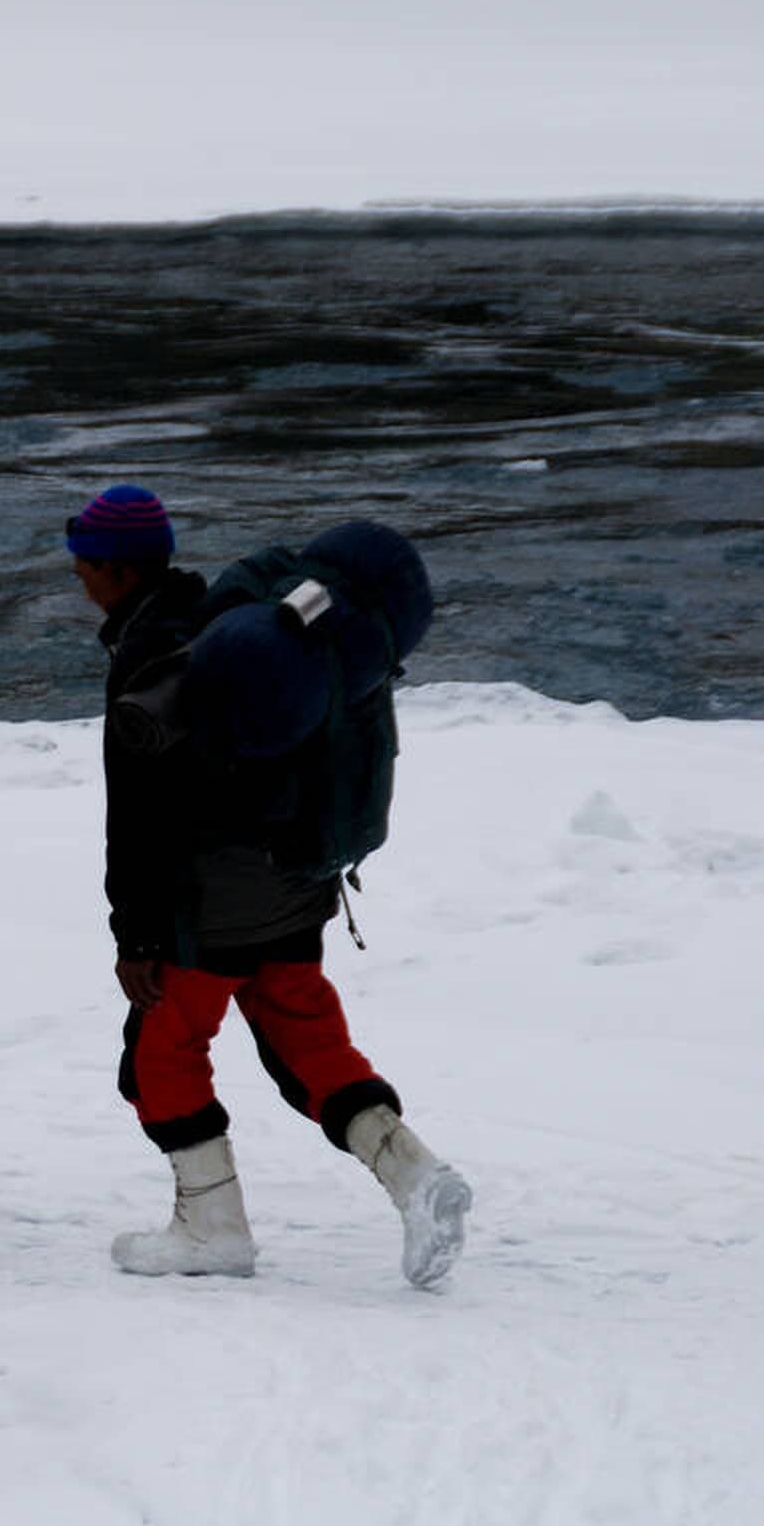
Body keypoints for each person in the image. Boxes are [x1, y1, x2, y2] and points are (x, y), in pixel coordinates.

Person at [68, 483, 471, 1287]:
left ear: (109, 571)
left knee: (160, 1052)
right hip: (295, 878)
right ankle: (415, 1175)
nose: (78, 575)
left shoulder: (154, 670)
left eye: (82, 561)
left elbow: (138, 822)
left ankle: (211, 1228)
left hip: (211, 904)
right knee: (303, 1040)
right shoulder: (229, 620)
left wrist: (137, 938)